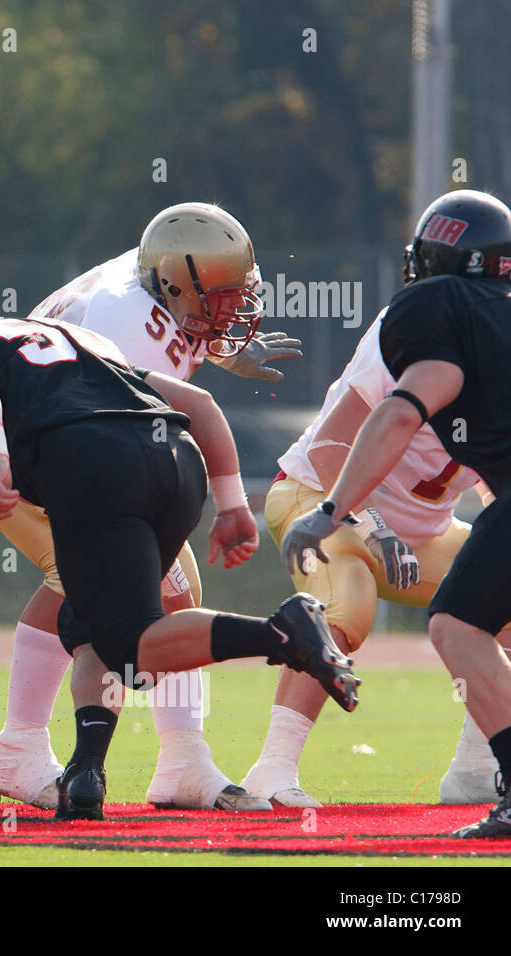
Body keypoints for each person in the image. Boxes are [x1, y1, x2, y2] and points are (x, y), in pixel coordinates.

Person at [0, 300, 358, 820]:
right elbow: (199, 402)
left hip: (93, 466)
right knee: (89, 619)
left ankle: (280, 633)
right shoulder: (68, 341)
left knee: (134, 643)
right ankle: (86, 771)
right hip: (176, 464)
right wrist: (230, 506)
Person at [0, 203, 303, 811]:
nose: (230, 310)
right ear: (173, 282)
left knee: (162, 589)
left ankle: (176, 761)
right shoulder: (129, 319)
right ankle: (30, 753)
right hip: (9, 452)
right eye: (218, 297)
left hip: (59, 437)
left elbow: (160, 343)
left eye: (235, 295)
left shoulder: (153, 280)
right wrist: (225, 504)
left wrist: (217, 347)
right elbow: (171, 402)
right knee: (101, 582)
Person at [280, 189, 511, 838]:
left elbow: (402, 410)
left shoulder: (430, 307)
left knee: (457, 626)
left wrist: (333, 511)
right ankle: (478, 775)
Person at [247, 301, 504, 807]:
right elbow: (328, 448)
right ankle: (271, 768)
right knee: (348, 601)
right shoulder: (415, 331)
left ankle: (476, 770)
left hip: (422, 535)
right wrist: (374, 526)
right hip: (319, 499)